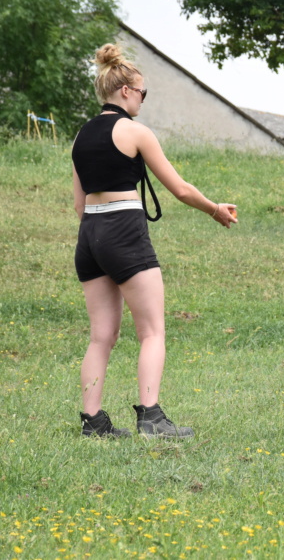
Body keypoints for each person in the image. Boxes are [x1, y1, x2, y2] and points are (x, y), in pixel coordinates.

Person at [72, 43, 237, 438]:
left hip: (89, 236)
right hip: (123, 231)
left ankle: (92, 422)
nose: (143, 100)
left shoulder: (81, 136)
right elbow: (179, 189)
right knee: (151, 331)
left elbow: (79, 204)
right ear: (126, 91)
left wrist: (100, 235)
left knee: (102, 335)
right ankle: (151, 418)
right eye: (143, 93)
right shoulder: (133, 131)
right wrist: (215, 209)